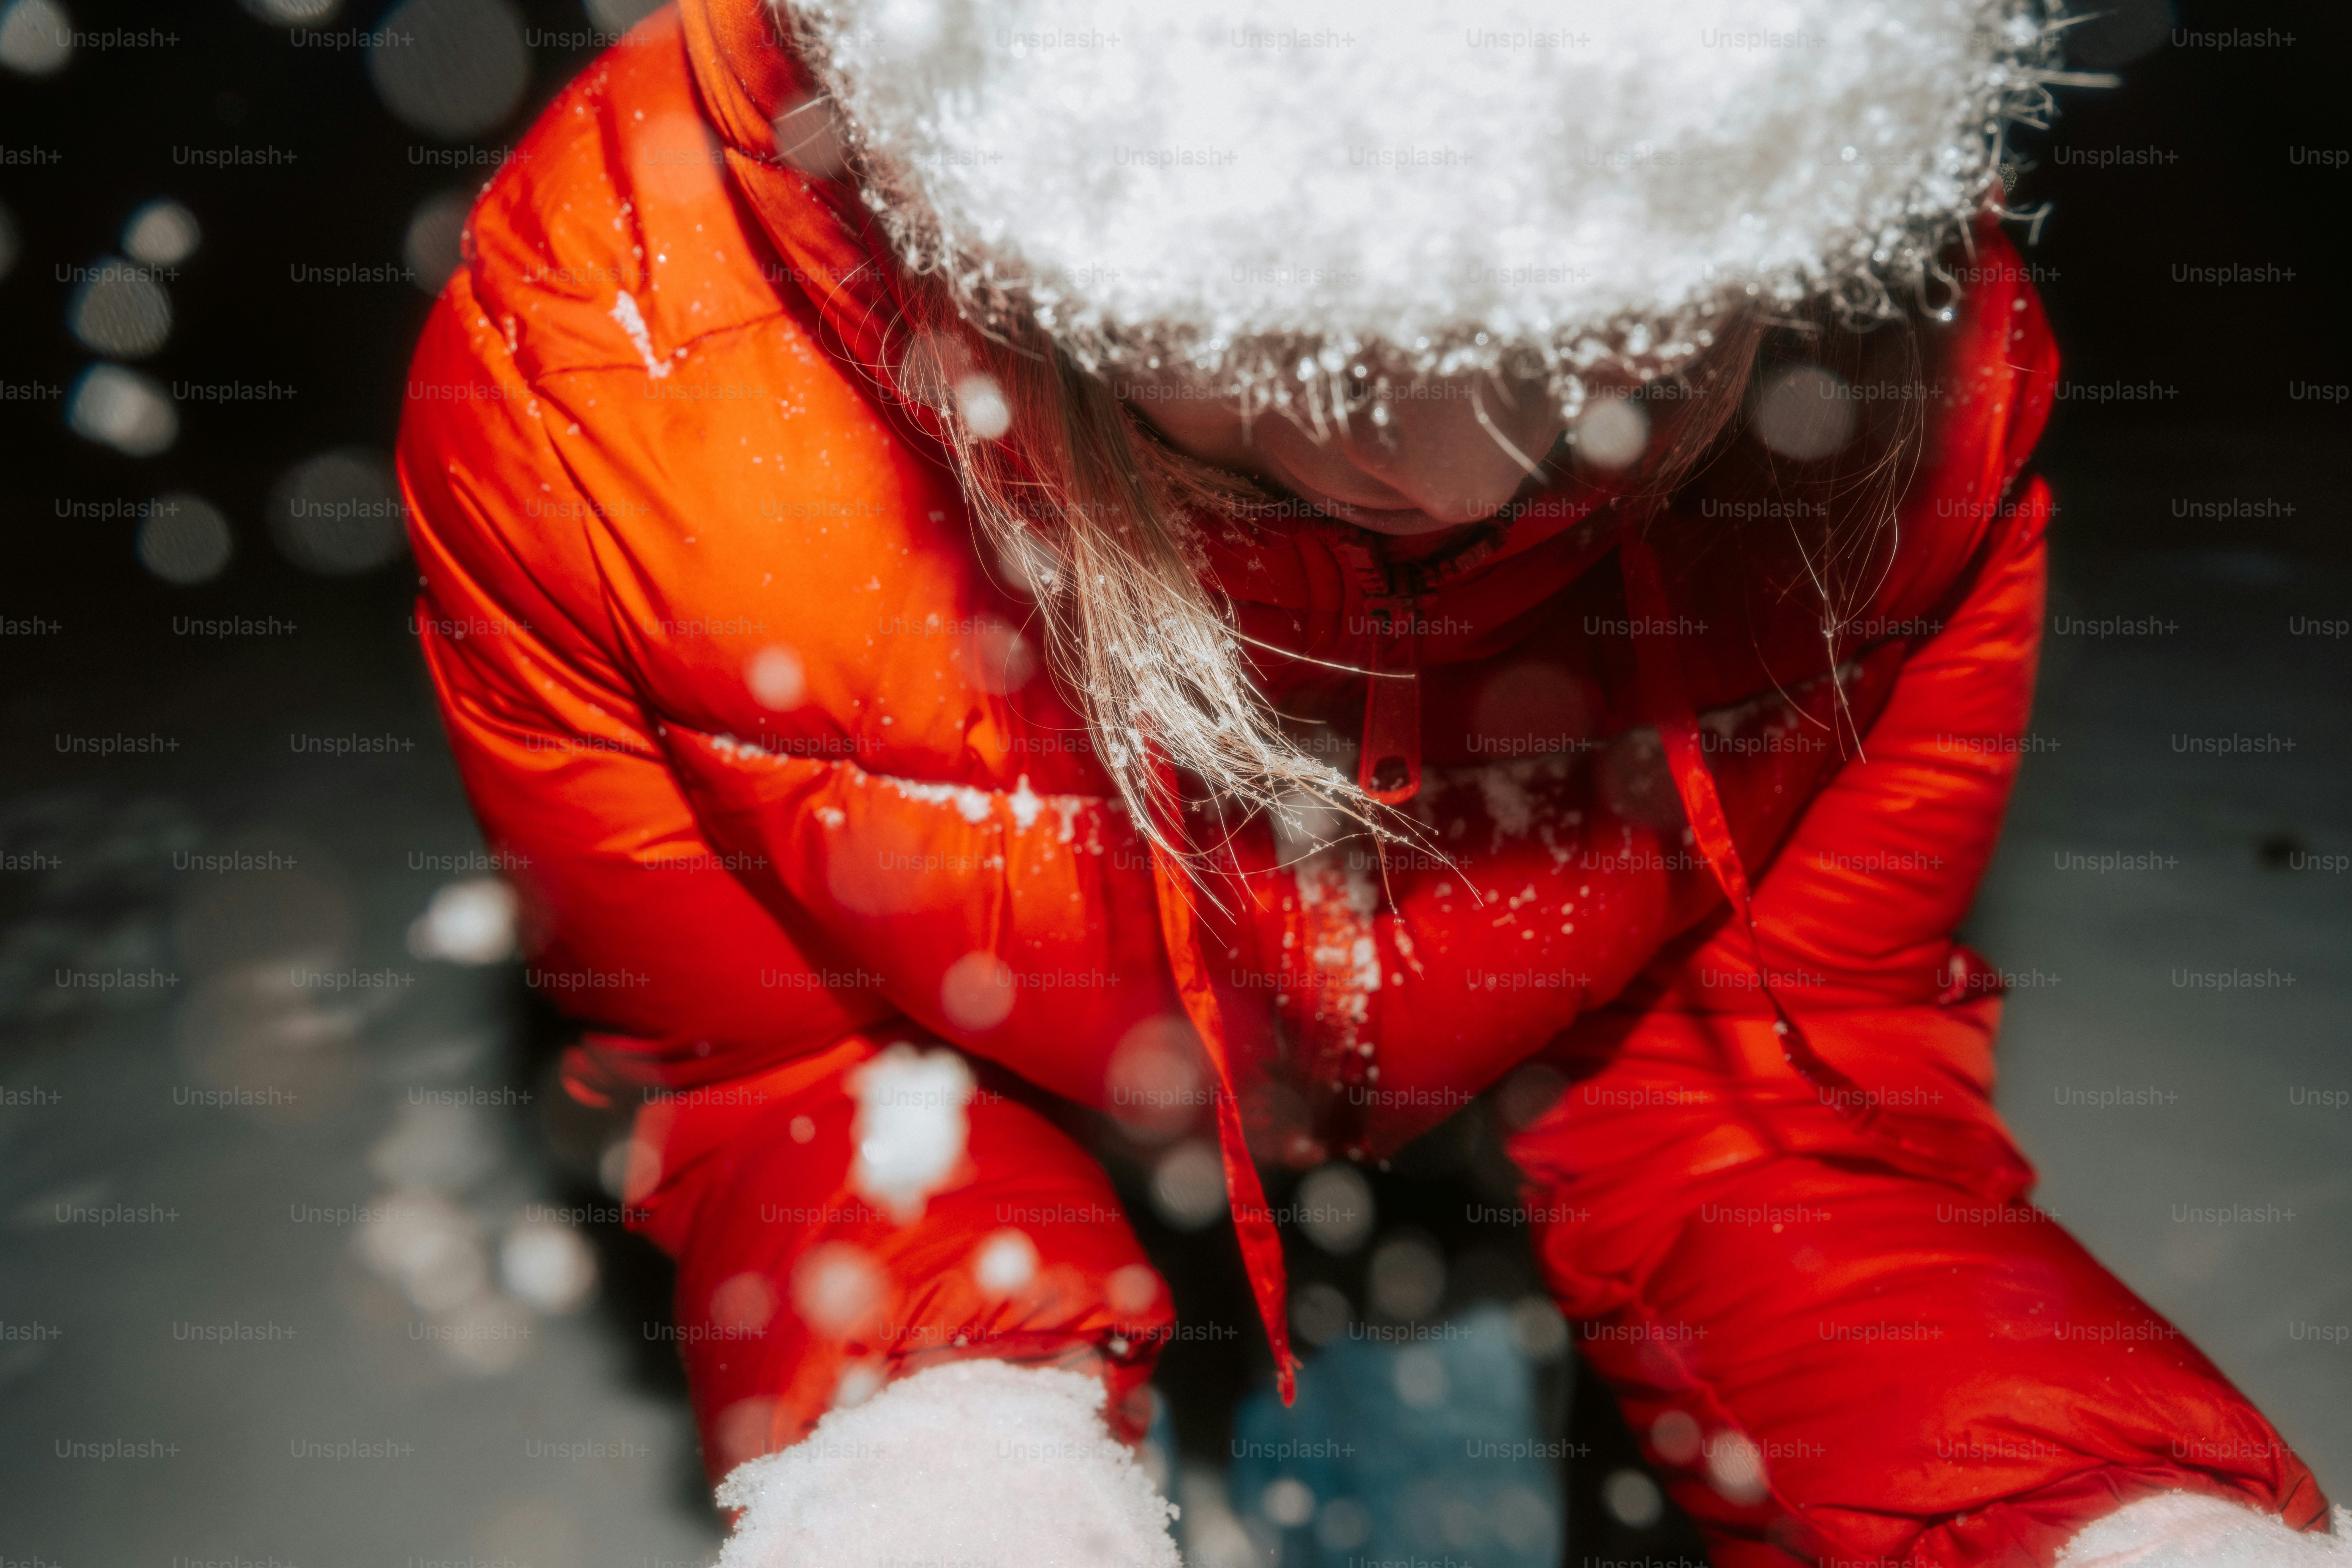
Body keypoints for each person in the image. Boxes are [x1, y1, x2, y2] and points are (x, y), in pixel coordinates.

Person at [396, 1, 2340, 1564]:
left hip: (1473, 1118)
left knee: (1430, 1464)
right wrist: (954, 1452)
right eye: (1291, 343)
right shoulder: (616, 389)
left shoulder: (1909, 383)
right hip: (1002, 1073)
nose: (1455, 478)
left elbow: (1780, 1085)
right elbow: (777, 1075)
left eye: (1615, 341)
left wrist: (2101, 1523)